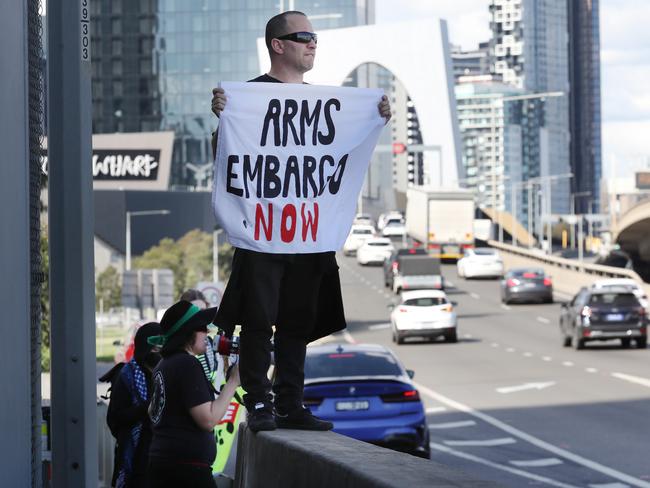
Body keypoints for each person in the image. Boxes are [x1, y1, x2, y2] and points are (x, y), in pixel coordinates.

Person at [210, 11, 391, 433]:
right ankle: (259, 402)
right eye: (304, 36)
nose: (313, 43)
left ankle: (291, 404)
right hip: (263, 232)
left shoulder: (324, 104)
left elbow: (346, 152)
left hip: (309, 234)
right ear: (278, 45)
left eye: (314, 37)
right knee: (258, 321)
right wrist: (222, 116)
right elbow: (227, 155)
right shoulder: (248, 97)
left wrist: (374, 116)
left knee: (297, 323)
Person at [147, 300, 240, 488]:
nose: (208, 332)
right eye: (202, 328)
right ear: (187, 332)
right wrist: (233, 382)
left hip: (165, 464)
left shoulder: (163, 365)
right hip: (186, 470)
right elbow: (208, 420)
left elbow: (152, 411)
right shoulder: (187, 364)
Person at [104, 322, 162, 488]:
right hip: (135, 459)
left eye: (161, 349)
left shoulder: (165, 372)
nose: (158, 353)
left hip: (161, 458)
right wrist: (146, 409)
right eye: (155, 349)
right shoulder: (126, 376)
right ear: (144, 348)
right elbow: (115, 419)